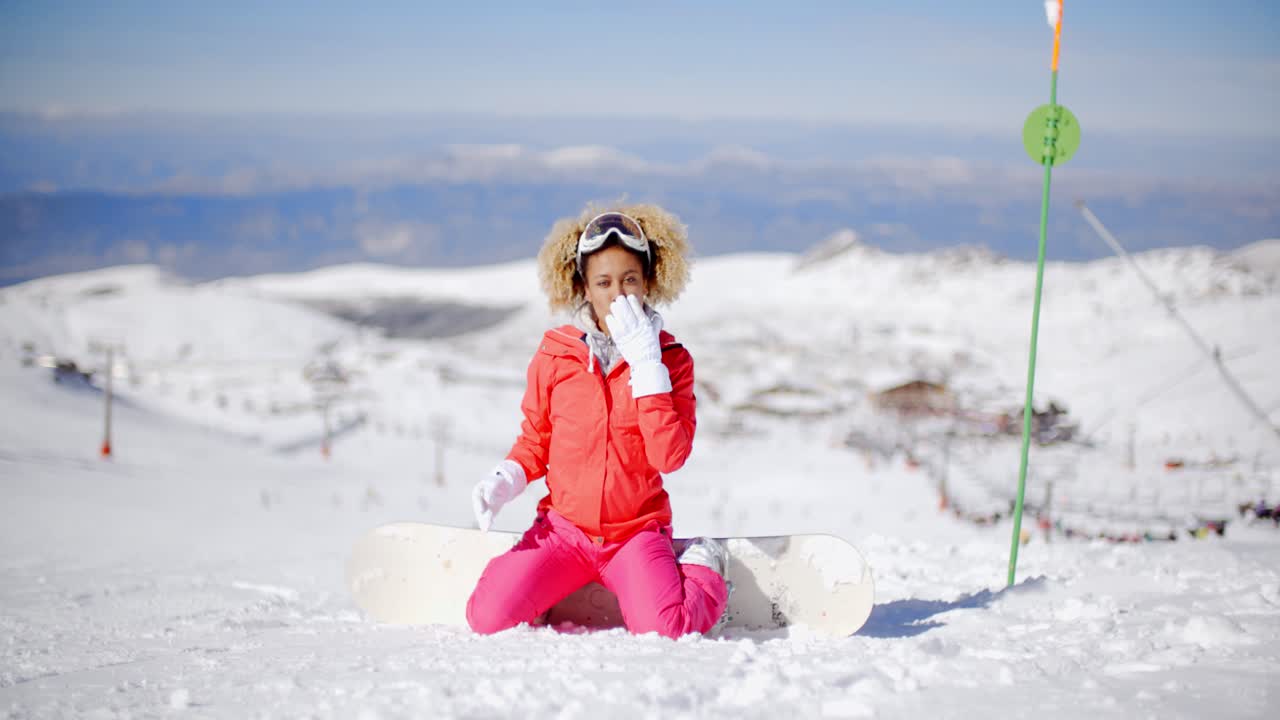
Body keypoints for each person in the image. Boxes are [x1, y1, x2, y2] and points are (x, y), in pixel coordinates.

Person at [465, 203, 730, 638]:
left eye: (630, 280)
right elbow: (535, 440)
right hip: (563, 533)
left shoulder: (671, 361)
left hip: (635, 535)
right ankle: (541, 584)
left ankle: (702, 564)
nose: (618, 294)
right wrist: (505, 478)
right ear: (584, 288)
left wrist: (647, 366)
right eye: (603, 282)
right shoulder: (555, 355)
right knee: (487, 618)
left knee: (668, 628)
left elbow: (670, 456)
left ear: (648, 283)